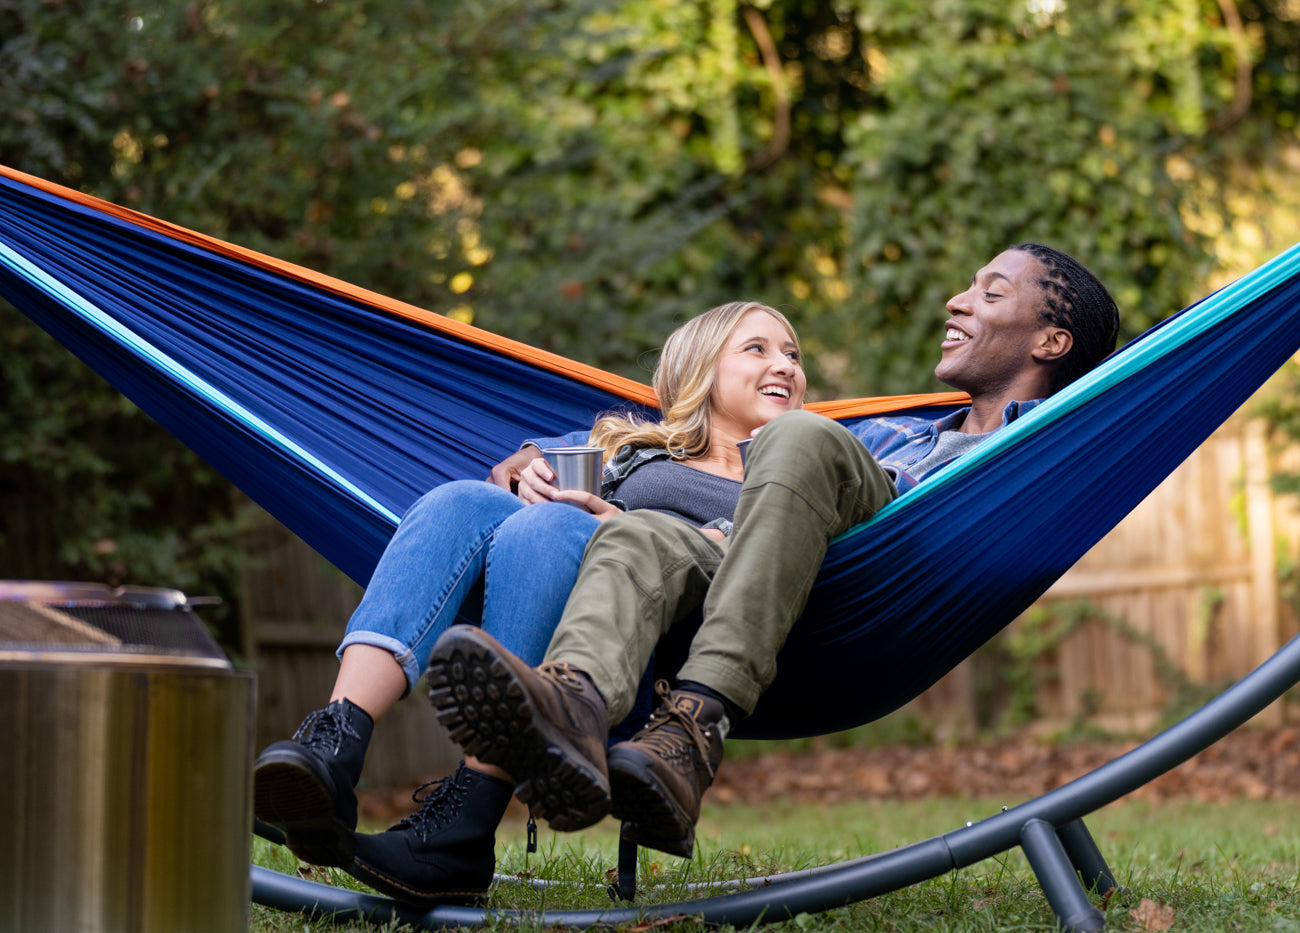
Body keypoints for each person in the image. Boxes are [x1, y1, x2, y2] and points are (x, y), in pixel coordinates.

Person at [427, 243, 1121, 859]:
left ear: (1052, 342)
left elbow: (801, 455)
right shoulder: (895, 432)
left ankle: (696, 724)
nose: (957, 300)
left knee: (797, 433)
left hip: (858, 593)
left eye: (990, 292)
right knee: (637, 532)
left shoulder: (1040, 445)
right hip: (740, 578)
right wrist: (528, 458)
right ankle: (576, 709)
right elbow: (645, 451)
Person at [252, 300, 807, 906]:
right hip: (543, 578)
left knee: (546, 530)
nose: (783, 364)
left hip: (633, 649)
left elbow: (768, 558)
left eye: (793, 355)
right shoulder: (629, 445)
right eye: (757, 349)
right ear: (699, 370)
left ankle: (469, 815)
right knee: (458, 500)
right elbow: (514, 467)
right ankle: (335, 742)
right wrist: (527, 474)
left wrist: (613, 523)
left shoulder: (794, 470)